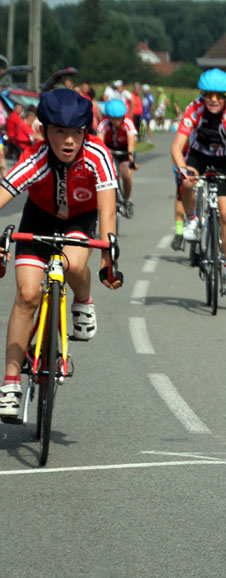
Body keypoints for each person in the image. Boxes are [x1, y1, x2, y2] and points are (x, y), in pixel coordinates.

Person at [0, 89, 123, 418]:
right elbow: (3, 193)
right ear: (43, 131)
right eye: (60, 132)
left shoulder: (98, 156)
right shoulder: (35, 157)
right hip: (38, 218)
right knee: (26, 294)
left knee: (73, 262)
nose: (69, 141)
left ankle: (83, 301)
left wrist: (108, 263)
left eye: (76, 133)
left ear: (86, 132)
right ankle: (10, 382)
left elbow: (108, 212)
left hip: (80, 221)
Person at [170, 68, 226, 293]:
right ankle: (192, 218)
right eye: (209, 95)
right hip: (197, 156)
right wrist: (182, 169)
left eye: (220, 96)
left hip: (222, 160)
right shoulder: (194, 109)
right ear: (202, 94)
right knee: (187, 181)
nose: (214, 100)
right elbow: (177, 147)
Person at [97, 99, 138, 207]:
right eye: (113, 119)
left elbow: (131, 144)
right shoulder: (103, 124)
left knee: (127, 175)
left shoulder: (128, 123)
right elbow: (99, 143)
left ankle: (127, 198)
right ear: (109, 117)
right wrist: (105, 154)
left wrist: (131, 159)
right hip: (108, 148)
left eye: (119, 118)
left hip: (124, 150)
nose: (116, 122)